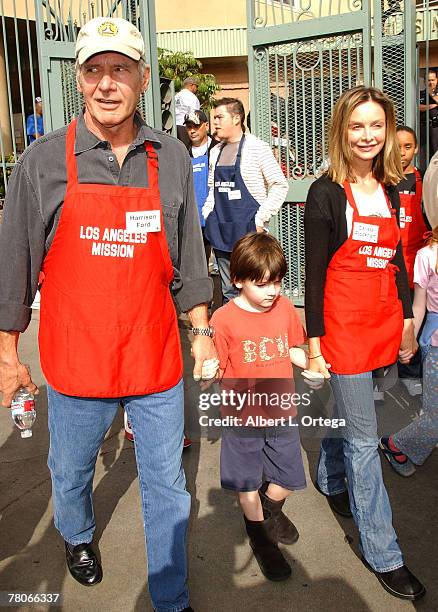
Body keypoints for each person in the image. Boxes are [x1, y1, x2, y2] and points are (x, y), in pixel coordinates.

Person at [0, 17, 216, 612]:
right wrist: (6, 356)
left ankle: (170, 594)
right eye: (94, 69)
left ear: (143, 78)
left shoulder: (170, 157)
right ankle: (76, 537)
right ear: (79, 78)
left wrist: (200, 331)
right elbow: (14, 263)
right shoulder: (43, 161)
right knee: (69, 469)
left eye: (120, 68)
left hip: (153, 353)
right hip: (77, 357)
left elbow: (191, 253)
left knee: (169, 481)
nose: (107, 83)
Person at [304, 85, 425, 601]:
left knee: (353, 413)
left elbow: (397, 264)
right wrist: (314, 342)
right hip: (344, 328)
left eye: (376, 126)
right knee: (364, 437)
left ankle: (330, 479)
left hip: (382, 324)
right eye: (357, 126)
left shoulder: (394, 190)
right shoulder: (325, 192)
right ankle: (384, 553)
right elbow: (311, 277)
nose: (368, 136)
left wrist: (404, 323)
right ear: (341, 131)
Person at [210, 232, 310, 581]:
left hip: (282, 411)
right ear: (237, 279)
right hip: (242, 418)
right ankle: (261, 539)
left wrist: (309, 363)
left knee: (288, 478)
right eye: (263, 284)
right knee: (247, 485)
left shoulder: (283, 308)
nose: (273, 291)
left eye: (278, 282)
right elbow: (214, 370)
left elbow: (293, 348)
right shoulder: (222, 320)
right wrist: (208, 370)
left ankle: (268, 514)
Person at [379, 158, 438, 475]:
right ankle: (396, 443)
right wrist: (409, 337)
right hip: (435, 342)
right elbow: (419, 304)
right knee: (435, 416)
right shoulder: (428, 256)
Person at [203, 98, 288, 304]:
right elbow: (211, 190)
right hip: (221, 231)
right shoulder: (215, 152)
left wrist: (261, 218)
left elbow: (279, 184)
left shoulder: (257, 148)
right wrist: (208, 214)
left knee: (255, 288)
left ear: (237, 118)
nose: (215, 122)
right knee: (229, 291)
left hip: (250, 232)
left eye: (219, 117)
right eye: (214, 117)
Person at [395, 126, 429, 396]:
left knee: (415, 321)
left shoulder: (423, 181)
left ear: (416, 148)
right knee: (388, 320)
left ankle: (410, 371)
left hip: (417, 262)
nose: (402, 152)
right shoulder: (382, 181)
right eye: (397, 147)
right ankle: (380, 374)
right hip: (390, 263)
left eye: (408, 147)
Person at [184, 109, 219, 266]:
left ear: (206, 125)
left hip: (217, 217)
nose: (192, 130)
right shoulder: (183, 152)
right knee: (199, 265)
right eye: (189, 126)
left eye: (196, 126)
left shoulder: (218, 150)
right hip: (194, 219)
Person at [419, 69, 438, 171]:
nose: (431, 83)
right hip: (424, 128)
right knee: (423, 157)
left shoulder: (436, 94)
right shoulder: (421, 94)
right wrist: (431, 106)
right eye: (428, 80)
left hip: (436, 128)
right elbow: (417, 107)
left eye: (433, 80)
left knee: (436, 155)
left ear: (437, 80)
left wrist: (432, 94)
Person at [175, 77, 200, 146]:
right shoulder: (192, 97)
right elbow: (195, 115)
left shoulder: (176, 96)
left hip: (173, 128)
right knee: (186, 151)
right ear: (192, 85)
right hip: (185, 127)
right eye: (196, 86)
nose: (197, 89)